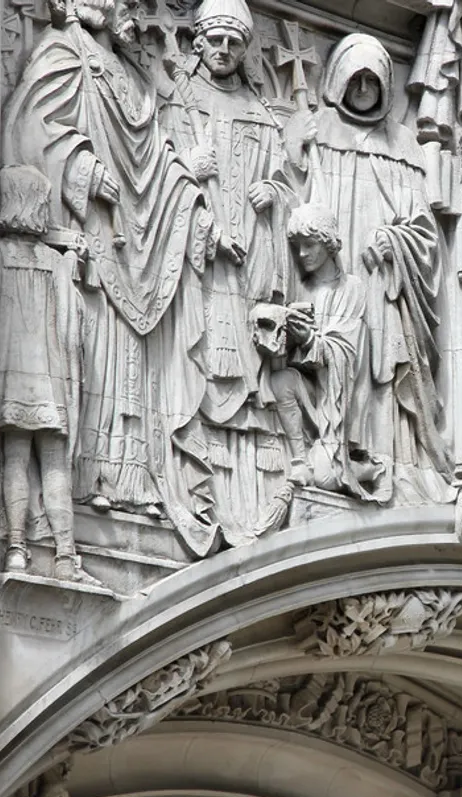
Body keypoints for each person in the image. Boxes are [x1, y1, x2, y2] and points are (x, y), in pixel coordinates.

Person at [2, 0, 217, 555]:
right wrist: (81, 167)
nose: (132, 12)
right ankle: (89, 486)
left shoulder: (128, 75)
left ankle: (135, 482)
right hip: (90, 250)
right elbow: (31, 133)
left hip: (136, 248)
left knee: (132, 375)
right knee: (93, 368)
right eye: (121, 2)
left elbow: (151, 160)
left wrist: (185, 181)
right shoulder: (62, 53)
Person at [286, 34, 452, 504]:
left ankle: (387, 457)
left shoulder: (403, 147)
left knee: (382, 362)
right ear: (339, 81)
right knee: (337, 352)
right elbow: (301, 208)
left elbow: (423, 231)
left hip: (383, 281)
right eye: (354, 79)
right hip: (334, 280)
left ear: (385, 86)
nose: (362, 88)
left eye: (371, 80)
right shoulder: (322, 136)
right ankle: (332, 450)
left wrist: (393, 239)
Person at [159, 0, 294, 543]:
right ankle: (199, 471)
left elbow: (287, 187)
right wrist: (188, 172)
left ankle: (250, 470)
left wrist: (273, 195)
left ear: (245, 50)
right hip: (200, 267)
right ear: (198, 42)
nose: (222, 51)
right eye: (214, 40)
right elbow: (153, 175)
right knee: (203, 360)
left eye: (234, 43)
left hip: (246, 270)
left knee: (249, 374)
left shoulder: (261, 114)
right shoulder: (180, 103)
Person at [0, 166, 100, 585]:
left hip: (11, 379)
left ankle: (17, 548)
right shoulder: (53, 263)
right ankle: (64, 553)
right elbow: (73, 326)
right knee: (55, 462)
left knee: (16, 457)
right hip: (51, 378)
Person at [262, 205, 376, 496]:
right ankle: (299, 461)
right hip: (312, 392)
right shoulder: (302, 288)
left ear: (328, 243)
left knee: (327, 479)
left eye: (310, 245)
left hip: (337, 400)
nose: (302, 254)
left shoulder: (352, 288)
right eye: (298, 247)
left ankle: (373, 467)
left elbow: (347, 352)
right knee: (280, 381)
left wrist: (311, 341)